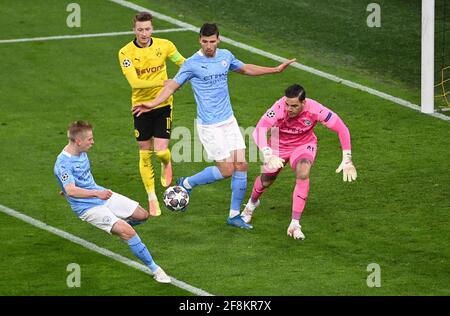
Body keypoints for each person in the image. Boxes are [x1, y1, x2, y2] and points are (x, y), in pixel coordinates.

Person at [132, 23, 295, 229]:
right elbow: (172, 86)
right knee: (227, 170)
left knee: (242, 165)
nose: (209, 45)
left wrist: (274, 69)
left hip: (229, 121)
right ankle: (187, 183)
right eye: (205, 41)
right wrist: (153, 104)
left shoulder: (225, 56)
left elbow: (245, 68)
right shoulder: (191, 63)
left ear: (219, 40)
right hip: (209, 126)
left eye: (212, 41)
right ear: (200, 40)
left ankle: (234, 215)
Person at [54, 121, 171, 283]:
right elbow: (71, 190)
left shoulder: (81, 152)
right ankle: (156, 269)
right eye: (89, 139)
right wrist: (78, 191)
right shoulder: (63, 163)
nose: (92, 142)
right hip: (87, 207)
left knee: (142, 215)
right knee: (129, 232)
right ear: (78, 141)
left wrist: (69, 189)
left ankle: (118, 228)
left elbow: (72, 185)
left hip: (100, 194)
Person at [240, 84, 357, 239]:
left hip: (303, 145)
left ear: (303, 103)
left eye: (294, 106)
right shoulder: (278, 107)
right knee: (267, 180)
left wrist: (347, 158)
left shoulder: (316, 109)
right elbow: (259, 130)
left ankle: (295, 223)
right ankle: (251, 205)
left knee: (303, 173)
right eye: (287, 104)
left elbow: (341, 128)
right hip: (278, 144)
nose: (289, 109)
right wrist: (267, 154)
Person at [118, 12, 186, 216]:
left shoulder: (165, 46)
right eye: (140, 29)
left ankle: (166, 162)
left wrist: (189, 73)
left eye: (147, 29)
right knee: (144, 152)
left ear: (152, 29)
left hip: (163, 103)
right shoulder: (125, 53)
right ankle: (152, 197)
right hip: (140, 106)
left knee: (161, 151)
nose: (144, 33)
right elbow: (135, 83)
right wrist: (167, 82)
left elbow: (183, 63)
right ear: (134, 30)